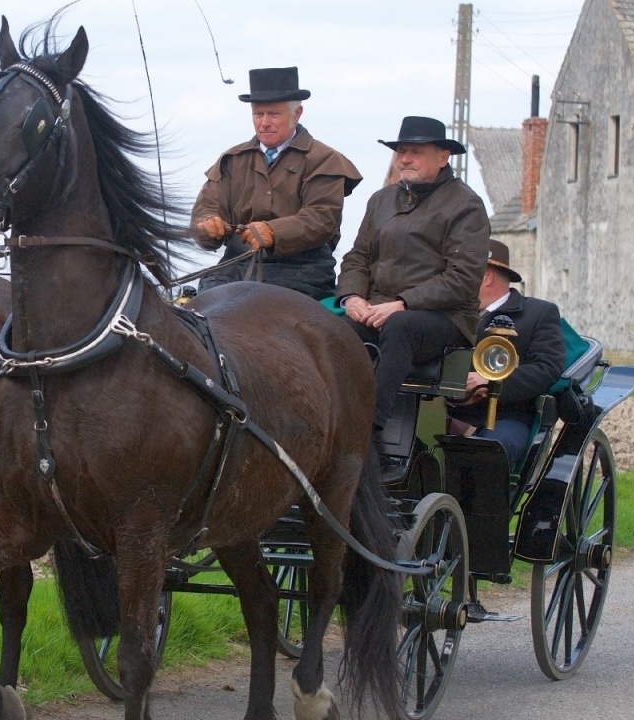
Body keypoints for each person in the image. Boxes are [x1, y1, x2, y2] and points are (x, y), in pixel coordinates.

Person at [336, 115, 490, 435]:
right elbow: (357, 257)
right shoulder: (381, 200)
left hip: (443, 319)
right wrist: (352, 298)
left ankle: (370, 427)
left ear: (443, 157)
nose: (404, 158)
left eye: (415, 151)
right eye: (401, 151)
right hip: (379, 309)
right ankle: (328, 416)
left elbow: (462, 278)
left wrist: (403, 303)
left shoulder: (466, 205)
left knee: (401, 326)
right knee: (333, 329)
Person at [190, 67, 361, 300]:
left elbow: (322, 219)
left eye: (274, 114)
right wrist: (206, 225)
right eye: (258, 114)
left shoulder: (324, 160)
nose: (264, 123)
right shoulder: (232, 160)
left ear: (297, 113)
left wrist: (274, 232)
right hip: (235, 266)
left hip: (301, 270)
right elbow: (205, 209)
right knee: (201, 309)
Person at [446, 240, 566, 465]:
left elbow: (547, 368)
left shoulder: (539, 313)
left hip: (505, 417)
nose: (454, 282)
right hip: (445, 412)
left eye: (463, 273)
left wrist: (489, 381)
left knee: (488, 455)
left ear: (486, 277)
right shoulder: (451, 313)